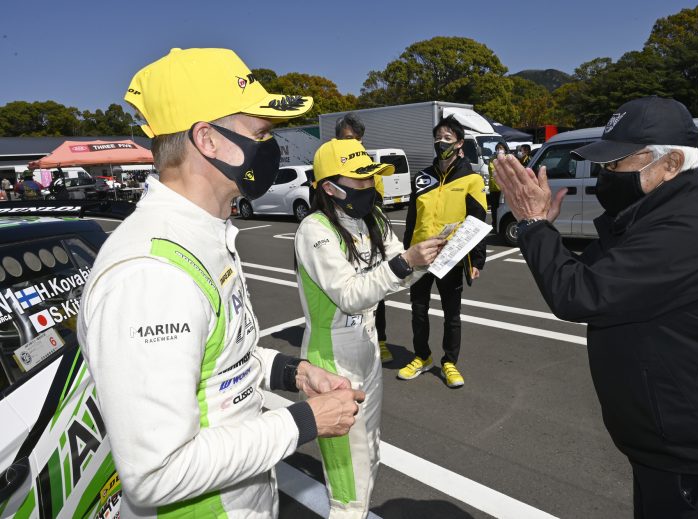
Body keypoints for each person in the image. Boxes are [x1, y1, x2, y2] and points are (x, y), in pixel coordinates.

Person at [77, 47, 365, 519]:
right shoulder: (151, 275)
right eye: (261, 133)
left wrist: (294, 373)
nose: (272, 147)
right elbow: (155, 474)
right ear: (208, 139)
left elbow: (220, 359)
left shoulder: (202, 234)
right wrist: (305, 422)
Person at [493, 96, 698, 519]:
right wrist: (544, 229)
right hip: (672, 447)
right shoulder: (656, 214)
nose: (605, 174)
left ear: (670, 164)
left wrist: (533, 225)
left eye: (616, 163)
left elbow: (579, 293)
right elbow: (596, 274)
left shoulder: (686, 226)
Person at [295, 138, 443, 518]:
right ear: (330, 187)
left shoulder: (373, 219)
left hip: (367, 347)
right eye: (360, 180)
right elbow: (350, 295)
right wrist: (406, 262)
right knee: (349, 484)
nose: (370, 186)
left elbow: (397, 274)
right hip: (332, 361)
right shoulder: (314, 228)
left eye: (372, 177)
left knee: (370, 454)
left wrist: (428, 259)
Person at [399, 115, 488, 388]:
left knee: (452, 314)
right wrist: (406, 253)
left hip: (451, 257)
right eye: (438, 138)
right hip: (420, 255)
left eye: (447, 138)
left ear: (460, 143)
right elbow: (412, 219)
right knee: (418, 310)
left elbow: (478, 220)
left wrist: (477, 261)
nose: (441, 142)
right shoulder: (422, 177)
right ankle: (422, 356)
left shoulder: (471, 179)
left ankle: (450, 362)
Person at [333, 113, 393, 364]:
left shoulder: (369, 163)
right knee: (345, 289)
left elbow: (377, 200)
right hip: (342, 236)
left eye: (358, 139)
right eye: (349, 138)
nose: (355, 143)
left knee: (376, 289)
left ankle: (380, 339)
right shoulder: (329, 164)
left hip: (367, 231)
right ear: (337, 140)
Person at [487, 142, 508, 232]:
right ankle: (495, 225)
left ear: (505, 150)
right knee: (494, 208)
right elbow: (491, 172)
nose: (499, 150)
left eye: (501, 148)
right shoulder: (492, 159)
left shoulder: (507, 159)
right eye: (497, 148)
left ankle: (502, 226)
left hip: (503, 188)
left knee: (503, 208)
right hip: (493, 188)